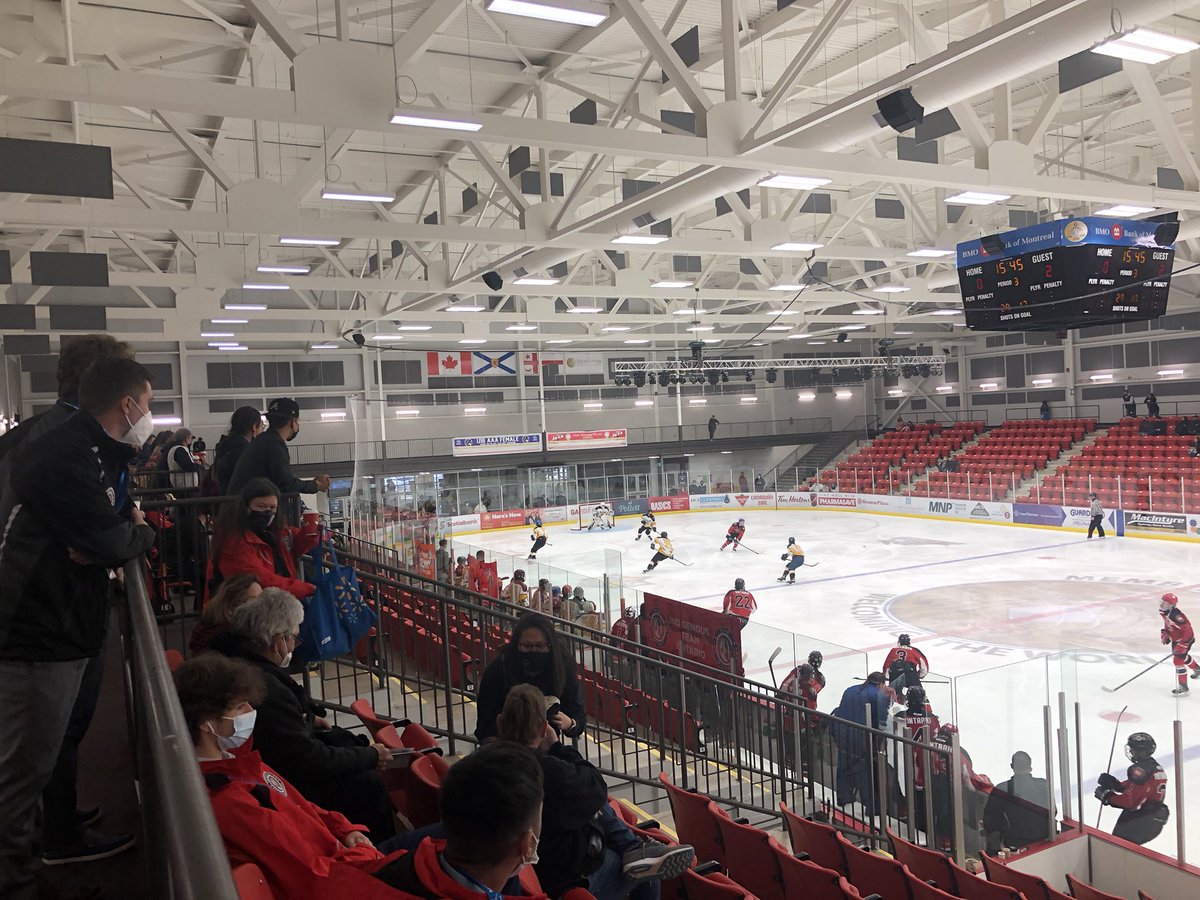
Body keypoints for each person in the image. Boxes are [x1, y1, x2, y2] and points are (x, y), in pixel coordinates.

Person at [0, 357, 157, 894]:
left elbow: (106, 533)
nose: (149, 415)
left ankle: (31, 861)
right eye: (149, 404)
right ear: (127, 404)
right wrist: (138, 533)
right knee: (22, 771)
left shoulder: (89, 450)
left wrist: (112, 535)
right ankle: (17, 883)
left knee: (36, 762)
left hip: (60, 625)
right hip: (37, 633)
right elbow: (114, 539)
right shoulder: (64, 453)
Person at [210, 588, 397, 841]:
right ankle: (383, 851)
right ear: (278, 641)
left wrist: (306, 719)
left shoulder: (236, 659)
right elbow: (307, 758)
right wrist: (369, 756)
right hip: (289, 785)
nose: (294, 646)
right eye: (294, 638)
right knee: (367, 783)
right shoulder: (264, 687)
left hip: (276, 769)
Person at [494, 685, 693, 899]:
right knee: (647, 872)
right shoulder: (547, 770)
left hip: (528, 871)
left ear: (500, 722)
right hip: (564, 880)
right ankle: (634, 849)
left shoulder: (486, 763)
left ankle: (633, 848)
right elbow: (595, 786)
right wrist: (557, 747)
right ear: (544, 729)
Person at [475, 612, 586, 744]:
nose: (534, 651)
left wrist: (570, 723)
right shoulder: (498, 668)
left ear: (550, 646)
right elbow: (484, 726)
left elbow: (578, 714)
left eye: (541, 646)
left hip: (548, 746)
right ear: (517, 644)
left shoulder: (562, 666)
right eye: (527, 646)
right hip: (505, 746)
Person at [205, 477, 319, 603]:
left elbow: (294, 546)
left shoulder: (279, 531)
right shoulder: (233, 541)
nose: (268, 512)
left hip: (275, 603)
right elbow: (261, 579)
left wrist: (310, 533)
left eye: (273, 507)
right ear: (246, 506)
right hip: (240, 609)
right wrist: (307, 588)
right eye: (261, 506)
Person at [228, 397, 331, 499]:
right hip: (246, 506)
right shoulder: (274, 444)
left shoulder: (264, 440)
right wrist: (316, 485)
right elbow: (286, 483)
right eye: (298, 421)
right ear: (293, 422)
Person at [829, 672, 890, 811]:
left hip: (841, 734)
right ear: (881, 684)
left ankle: (843, 797)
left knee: (844, 765)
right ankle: (872, 807)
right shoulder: (877, 695)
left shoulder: (850, 690)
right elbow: (882, 721)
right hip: (860, 738)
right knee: (864, 771)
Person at [1095, 733, 1169, 846]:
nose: (1130, 751)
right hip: (1154, 818)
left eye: (1132, 748)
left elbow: (1129, 802)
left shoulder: (1139, 770)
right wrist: (1116, 785)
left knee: (1118, 848)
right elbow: (1139, 788)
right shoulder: (1154, 766)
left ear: (1139, 751)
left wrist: (1107, 796)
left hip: (1140, 821)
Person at [983, 750, 1054, 854]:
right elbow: (1053, 811)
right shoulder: (1044, 784)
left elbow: (990, 822)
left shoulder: (1002, 789)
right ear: (1030, 767)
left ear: (1012, 766)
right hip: (1045, 840)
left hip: (1016, 845)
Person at [892, 687, 940, 830]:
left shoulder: (900, 716)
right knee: (924, 796)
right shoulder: (932, 718)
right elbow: (937, 739)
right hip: (924, 763)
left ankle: (906, 813)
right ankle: (923, 825)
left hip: (904, 760)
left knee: (905, 789)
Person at [189, 573, 263, 655]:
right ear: (232, 605)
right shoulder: (225, 641)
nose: (260, 607)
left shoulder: (210, 628)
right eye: (253, 601)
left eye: (262, 600)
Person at [212, 407, 265, 494]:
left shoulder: (225, 446)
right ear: (254, 427)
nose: (262, 430)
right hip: (240, 499)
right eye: (262, 426)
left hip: (225, 497)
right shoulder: (246, 452)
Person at [1158, 592, 1200, 695]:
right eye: (1162, 602)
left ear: (1171, 605)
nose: (1162, 604)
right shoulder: (1165, 612)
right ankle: (1197, 669)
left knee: (1178, 661)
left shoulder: (1175, 614)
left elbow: (1187, 628)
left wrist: (1183, 644)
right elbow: (1169, 624)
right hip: (1176, 639)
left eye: (1165, 603)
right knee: (1182, 657)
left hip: (1185, 640)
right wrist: (1166, 633)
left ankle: (1183, 686)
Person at [882, 634, 930, 702]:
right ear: (909, 642)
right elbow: (924, 666)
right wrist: (919, 675)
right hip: (910, 675)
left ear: (899, 642)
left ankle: (891, 706)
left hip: (895, 676)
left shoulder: (893, 650)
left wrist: (887, 677)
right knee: (919, 694)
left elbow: (886, 666)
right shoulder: (914, 650)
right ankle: (921, 706)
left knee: (891, 697)